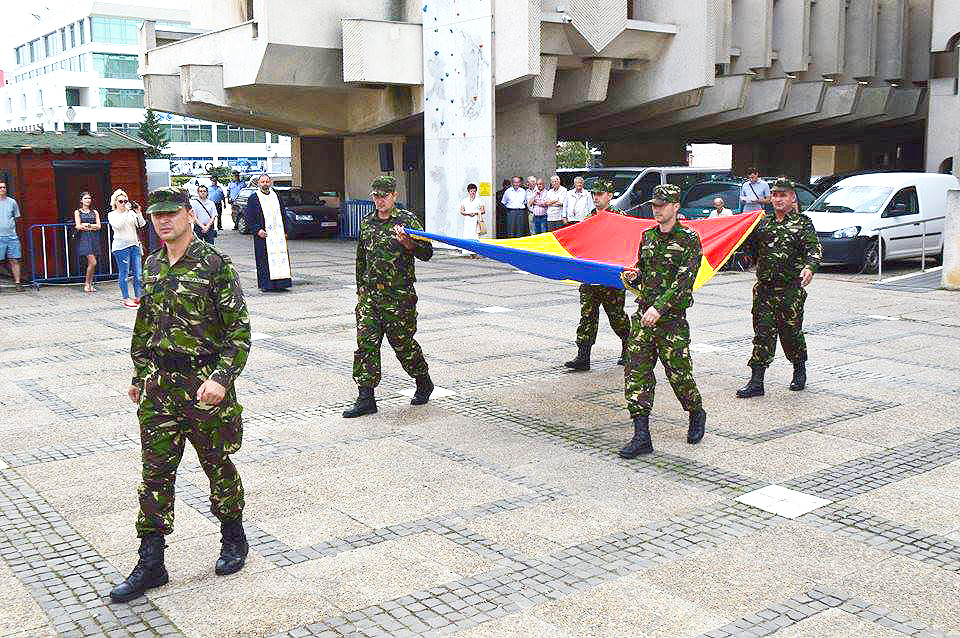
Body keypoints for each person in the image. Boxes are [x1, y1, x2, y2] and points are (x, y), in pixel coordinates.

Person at [109, 187, 252, 603]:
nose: (163, 221)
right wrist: (140, 373)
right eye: (156, 215)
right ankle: (151, 562)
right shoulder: (152, 265)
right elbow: (144, 326)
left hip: (203, 386)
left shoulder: (215, 263)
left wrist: (222, 379)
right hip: (160, 388)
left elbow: (238, 333)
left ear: (189, 215)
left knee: (216, 465)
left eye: (171, 213)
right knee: (154, 475)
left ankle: (233, 535)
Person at [619, 184, 707, 458]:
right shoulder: (647, 237)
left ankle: (696, 411)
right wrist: (635, 277)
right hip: (643, 318)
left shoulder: (689, 239)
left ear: (676, 207)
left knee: (679, 375)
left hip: (671, 321)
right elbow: (644, 271)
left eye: (662, 205)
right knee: (636, 375)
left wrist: (658, 308)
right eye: (654, 205)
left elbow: (684, 282)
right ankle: (641, 436)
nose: (657, 209)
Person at [343, 176, 435, 418]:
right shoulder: (367, 223)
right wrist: (361, 288)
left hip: (399, 296)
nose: (380, 200)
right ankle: (366, 398)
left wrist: (409, 244)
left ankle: (423, 381)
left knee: (403, 344)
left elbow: (427, 253)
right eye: (376, 196)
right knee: (366, 345)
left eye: (384, 196)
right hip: (370, 297)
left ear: (394, 196)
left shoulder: (407, 221)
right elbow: (361, 260)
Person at [736, 177, 821, 398]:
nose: (778, 199)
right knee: (762, 334)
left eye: (783, 195)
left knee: (791, 334)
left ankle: (799, 368)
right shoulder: (763, 224)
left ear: (792, 197)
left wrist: (809, 267)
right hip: (764, 290)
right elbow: (750, 249)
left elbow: (813, 248)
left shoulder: (803, 223)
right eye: (774, 195)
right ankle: (756, 382)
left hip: (790, 291)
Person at [563, 179, 631, 372]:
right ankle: (583, 357)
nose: (596, 198)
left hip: (611, 278)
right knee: (587, 317)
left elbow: (627, 245)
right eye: (594, 194)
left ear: (610, 196)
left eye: (600, 194)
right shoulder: (588, 219)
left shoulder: (620, 218)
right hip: (590, 277)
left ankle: (628, 347)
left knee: (617, 317)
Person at [243, 174, 292, 292]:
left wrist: (285, 230)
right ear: (259, 183)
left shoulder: (276, 196)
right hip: (263, 235)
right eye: (262, 181)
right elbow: (249, 217)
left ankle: (281, 283)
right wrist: (257, 230)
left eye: (267, 181)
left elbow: (283, 214)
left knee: (281, 257)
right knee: (264, 259)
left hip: (278, 235)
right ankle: (266, 285)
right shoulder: (254, 198)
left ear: (270, 182)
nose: (265, 183)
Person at [108, 189, 147, 308]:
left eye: (125, 201)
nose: (124, 203)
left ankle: (138, 296)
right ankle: (126, 297)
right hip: (121, 247)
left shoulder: (131, 213)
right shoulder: (112, 214)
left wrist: (138, 212)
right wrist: (126, 212)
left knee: (138, 273)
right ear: (115, 202)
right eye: (121, 201)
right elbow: (118, 225)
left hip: (134, 245)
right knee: (124, 273)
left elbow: (142, 224)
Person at [73, 191, 102, 293]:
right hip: (84, 239)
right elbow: (78, 225)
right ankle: (87, 283)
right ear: (81, 200)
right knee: (93, 262)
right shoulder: (78, 212)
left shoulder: (95, 212)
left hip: (94, 238)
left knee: (92, 263)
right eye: (85, 198)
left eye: (89, 198)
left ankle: (90, 284)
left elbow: (99, 226)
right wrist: (88, 226)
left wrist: (88, 225)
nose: (88, 200)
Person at [0, 181, 24, 292]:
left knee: (15, 260)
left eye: (4, 187)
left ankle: (18, 283)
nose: (2, 189)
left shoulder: (12, 202)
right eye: (0, 187)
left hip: (12, 236)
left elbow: (16, 218)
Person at [459, 183, 485, 256]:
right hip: (467, 220)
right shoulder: (464, 200)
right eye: (471, 191)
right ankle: (467, 252)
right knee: (467, 234)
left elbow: (483, 210)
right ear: (468, 191)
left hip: (476, 220)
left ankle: (475, 252)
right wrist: (468, 214)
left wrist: (476, 213)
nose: (473, 193)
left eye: (474, 191)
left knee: (475, 235)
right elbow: (461, 211)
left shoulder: (479, 200)